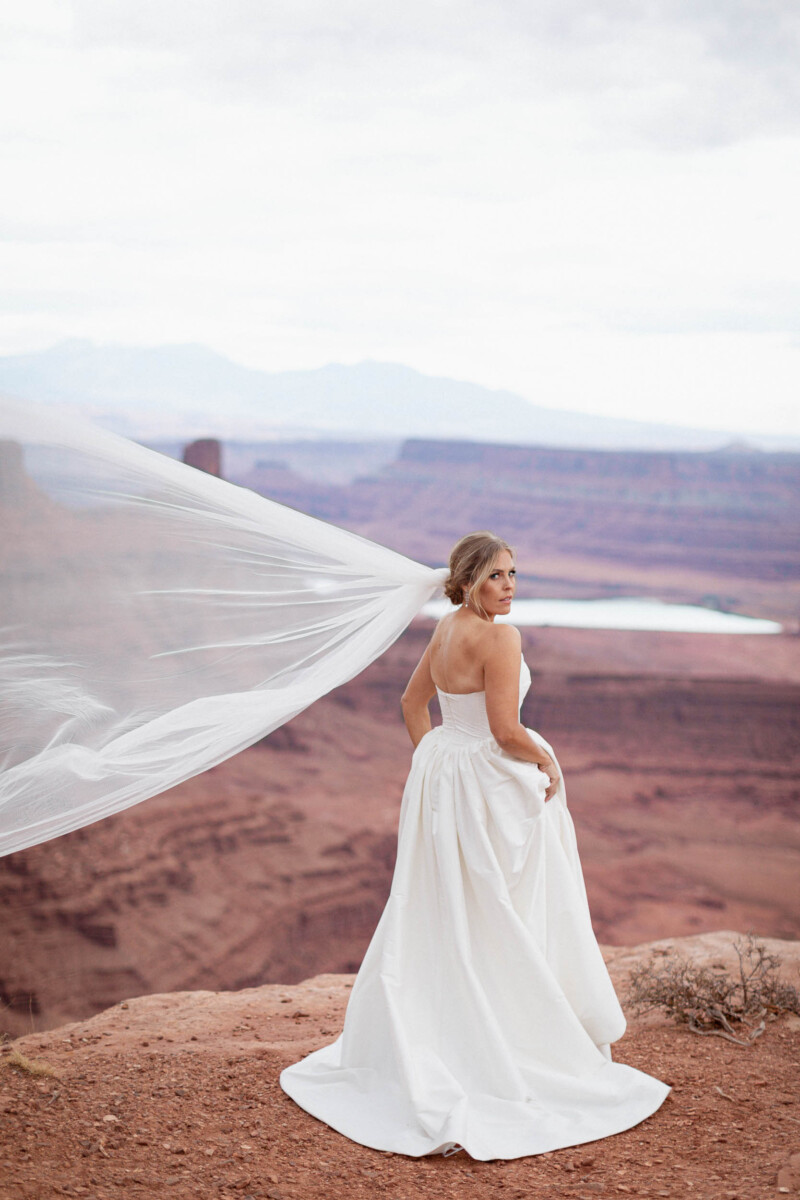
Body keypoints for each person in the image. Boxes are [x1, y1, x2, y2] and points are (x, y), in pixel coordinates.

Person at [280, 531, 670, 1160]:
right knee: (507, 904)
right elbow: (505, 729)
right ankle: (513, 1031)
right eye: (496, 576)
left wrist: (435, 763)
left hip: (446, 780)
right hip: (491, 782)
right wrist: (546, 764)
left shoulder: (446, 626)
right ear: (467, 581)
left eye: (514, 573)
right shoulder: (500, 636)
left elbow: (414, 704)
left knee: (449, 904)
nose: (510, 586)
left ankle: (451, 1021)